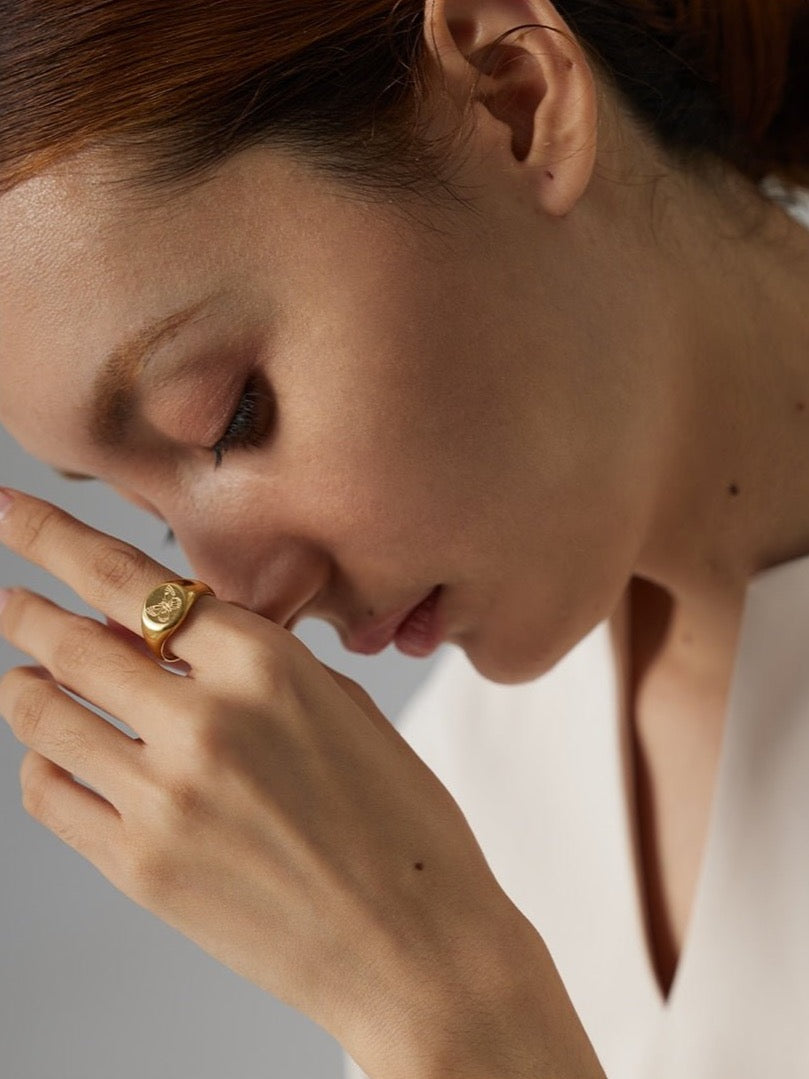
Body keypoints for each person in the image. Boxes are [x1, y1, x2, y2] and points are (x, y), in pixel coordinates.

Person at [0, 1, 807, 1076]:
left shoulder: (419, 918)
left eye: (229, 415)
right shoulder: (452, 801)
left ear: (512, 101)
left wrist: (451, 1006)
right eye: (149, 513)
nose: (239, 597)